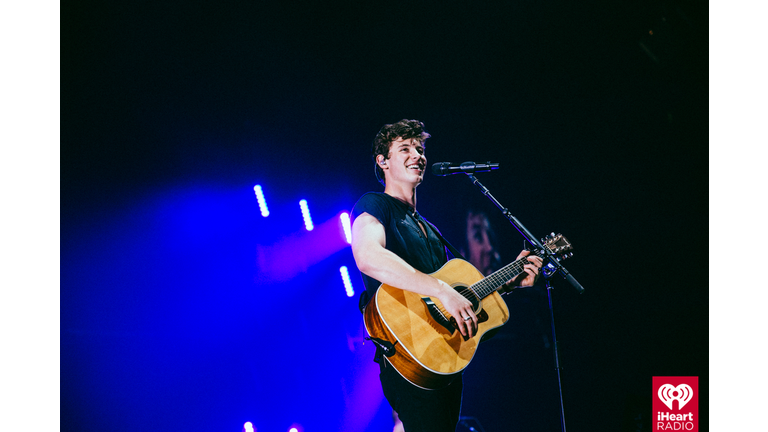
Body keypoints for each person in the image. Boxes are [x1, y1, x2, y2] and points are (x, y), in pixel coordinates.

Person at [350, 119, 543, 432]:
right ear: (382, 161)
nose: (418, 155)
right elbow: (368, 256)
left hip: (442, 360)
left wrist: (506, 283)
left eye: (420, 148)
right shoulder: (374, 204)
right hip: (408, 348)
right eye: (405, 149)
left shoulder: (432, 231)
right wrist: (441, 289)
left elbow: (458, 295)